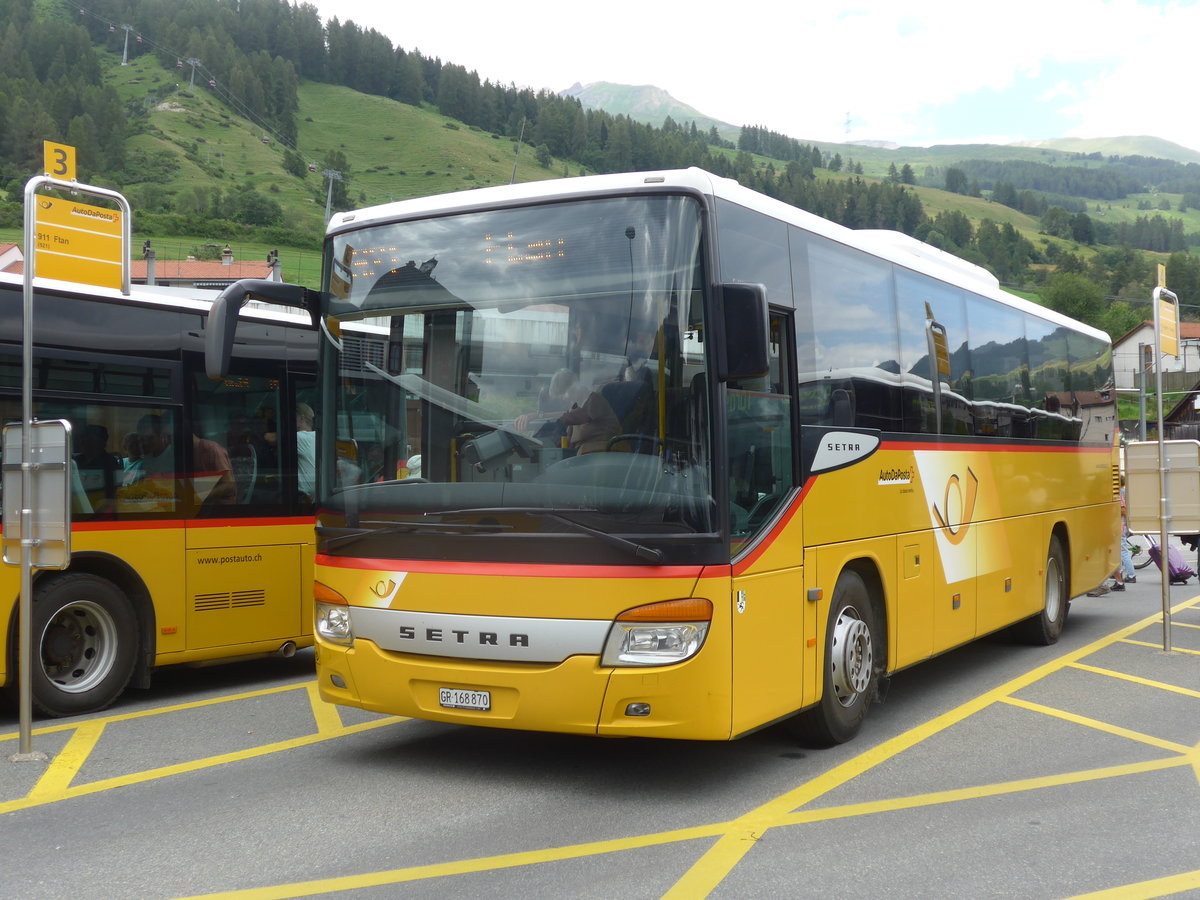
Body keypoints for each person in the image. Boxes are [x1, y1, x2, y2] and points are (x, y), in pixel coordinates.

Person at [296, 402, 316, 500]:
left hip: (304, 498)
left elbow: (270, 438)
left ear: (301, 418)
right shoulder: (317, 436)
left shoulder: (300, 438)